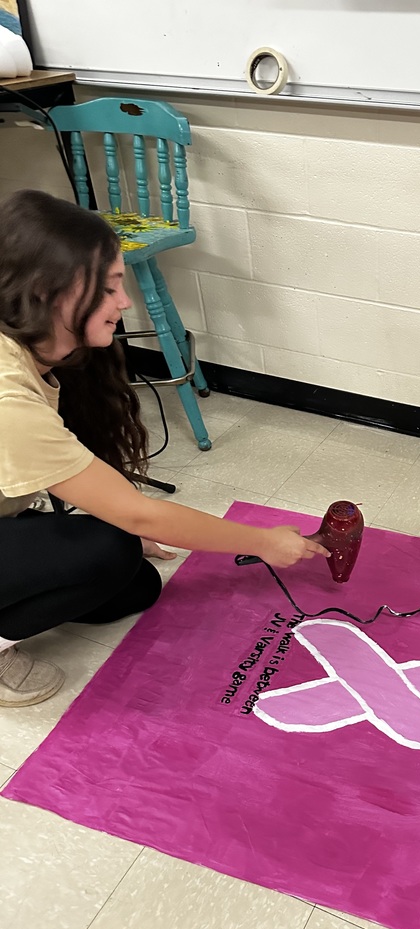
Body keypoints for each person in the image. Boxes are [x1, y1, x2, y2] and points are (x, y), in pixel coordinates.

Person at [0, 189, 328, 708]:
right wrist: (263, 542)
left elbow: (93, 487)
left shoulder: (37, 351)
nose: (125, 302)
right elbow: (142, 516)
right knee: (110, 548)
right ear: (48, 293)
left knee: (136, 583)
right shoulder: (6, 396)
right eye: (109, 288)